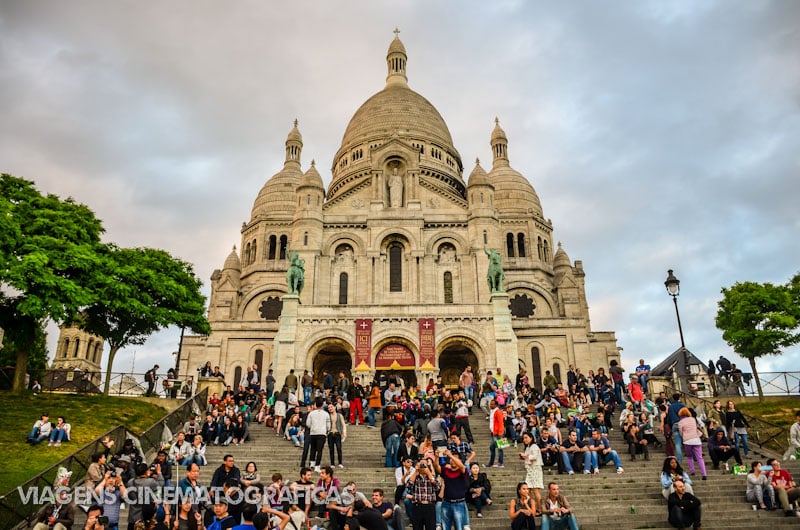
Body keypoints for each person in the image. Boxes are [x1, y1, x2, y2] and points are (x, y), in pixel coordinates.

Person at [406, 457, 439, 530]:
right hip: (418, 506)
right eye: (421, 464)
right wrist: (416, 471)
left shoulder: (432, 476)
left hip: (429, 506)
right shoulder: (415, 477)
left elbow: (437, 487)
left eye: (425, 465)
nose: (423, 467)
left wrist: (429, 473)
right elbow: (408, 485)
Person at [677, 408, 706, 480]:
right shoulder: (693, 419)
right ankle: (704, 474)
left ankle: (692, 471)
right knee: (700, 458)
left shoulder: (680, 422)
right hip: (696, 439)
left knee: (689, 456)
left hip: (687, 441)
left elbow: (681, 432)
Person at [307, 397, 331, 472]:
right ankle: (317, 465)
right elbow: (328, 425)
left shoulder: (311, 413)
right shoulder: (326, 414)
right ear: (322, 405)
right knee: (319, 450)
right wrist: (327, 430)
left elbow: (308, 424)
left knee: (313, 448)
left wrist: (313, 427)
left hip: (313, 432)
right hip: (322, 433)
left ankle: (312, 462)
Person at [328, 403, 347, 468]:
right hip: (330, 433)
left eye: (331, 407)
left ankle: (340, 462)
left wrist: (344, 432)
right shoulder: (328, 416)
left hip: (337, 433)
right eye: (329, 408)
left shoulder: (339, 415)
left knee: (339, 448)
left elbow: (343, 424)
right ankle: (332, 463)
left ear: (334, 407)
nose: (330, 408)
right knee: (331, 449)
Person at [487, 399, 505, 468]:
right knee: (492, 447)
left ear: (496, 405)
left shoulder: (498, 412)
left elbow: (501, 423)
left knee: (500, 448)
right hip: (493, 432)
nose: (490, 405)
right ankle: (491, 463)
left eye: (492, 404)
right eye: (490, 404)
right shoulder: (492, 411)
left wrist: (500, 433)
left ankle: (500, 462)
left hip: (498, 433)